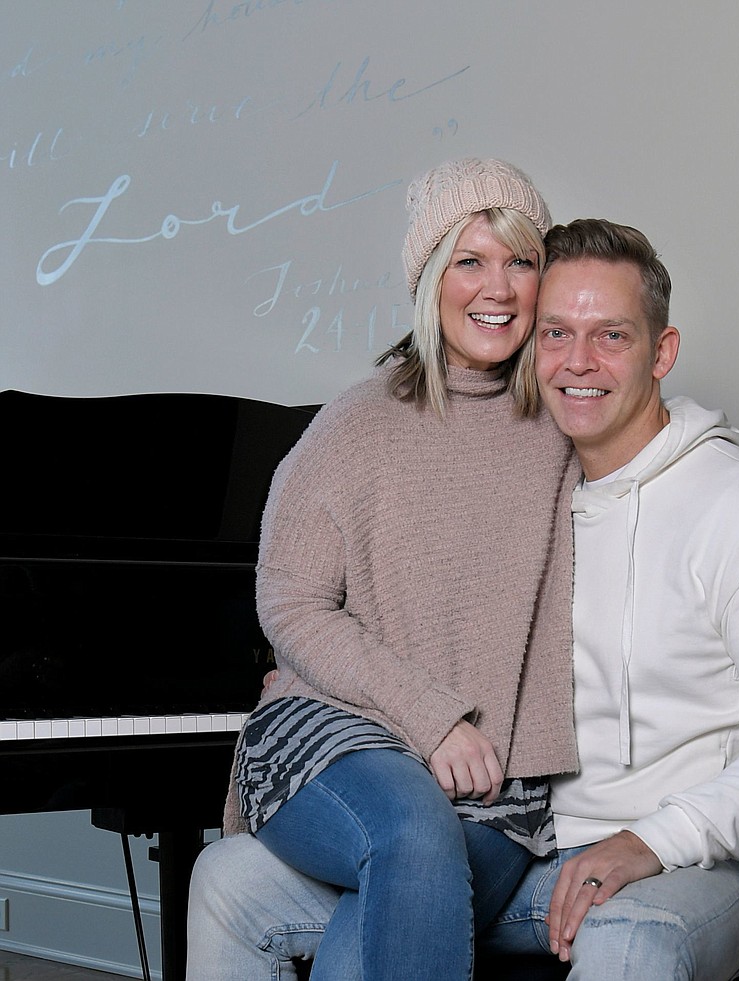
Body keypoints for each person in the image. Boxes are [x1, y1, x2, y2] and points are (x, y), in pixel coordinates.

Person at [187, 215, 739, 980]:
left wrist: (655, 839)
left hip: (690, 852)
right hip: (537, 842)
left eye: (611, 335)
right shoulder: (532, 479)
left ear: (662, 352)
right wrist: (318, 685)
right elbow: (415, 630)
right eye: (555, 334)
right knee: (228, 880)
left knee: (626, 946)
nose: (580, 362)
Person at [209, 157, 583, 981]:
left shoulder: (566, 422)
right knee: (411, 830)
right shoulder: (357, 423)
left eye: (522, 260)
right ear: (429, 276)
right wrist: (433, 716)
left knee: (373, 929)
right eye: (470, 260)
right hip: (334, 738)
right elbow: (291, 600)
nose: (500, 286)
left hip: (495, 778)